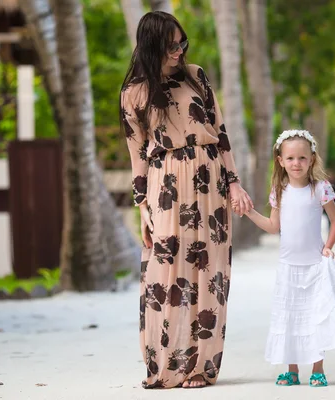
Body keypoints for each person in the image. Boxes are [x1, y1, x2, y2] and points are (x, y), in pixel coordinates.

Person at [120, 11, 253, 389]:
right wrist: (141, 206)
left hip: (210, 179)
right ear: (151, 44)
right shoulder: (133, 94)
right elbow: (137, 155)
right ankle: (166, 366)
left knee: (209, 274)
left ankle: (199, 367)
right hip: (165, 187)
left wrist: (235, 183)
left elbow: (221, 132)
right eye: (171, 44)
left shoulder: (196, 76)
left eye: (183, 43)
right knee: (167, 275)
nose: (178, 51)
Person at [233, 130, 335, 387]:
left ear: (312, 159)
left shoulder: (320, 189)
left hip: (314, 266)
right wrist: (248, 212)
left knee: (316, 318)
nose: (296, 163)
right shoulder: (279, 191)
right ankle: (291, 370)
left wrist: (328, 247)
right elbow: (273, 226)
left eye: (302, 158)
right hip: (288, 267)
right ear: (280, 160)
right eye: (290, 158)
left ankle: (318, 370)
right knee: (289, 317)